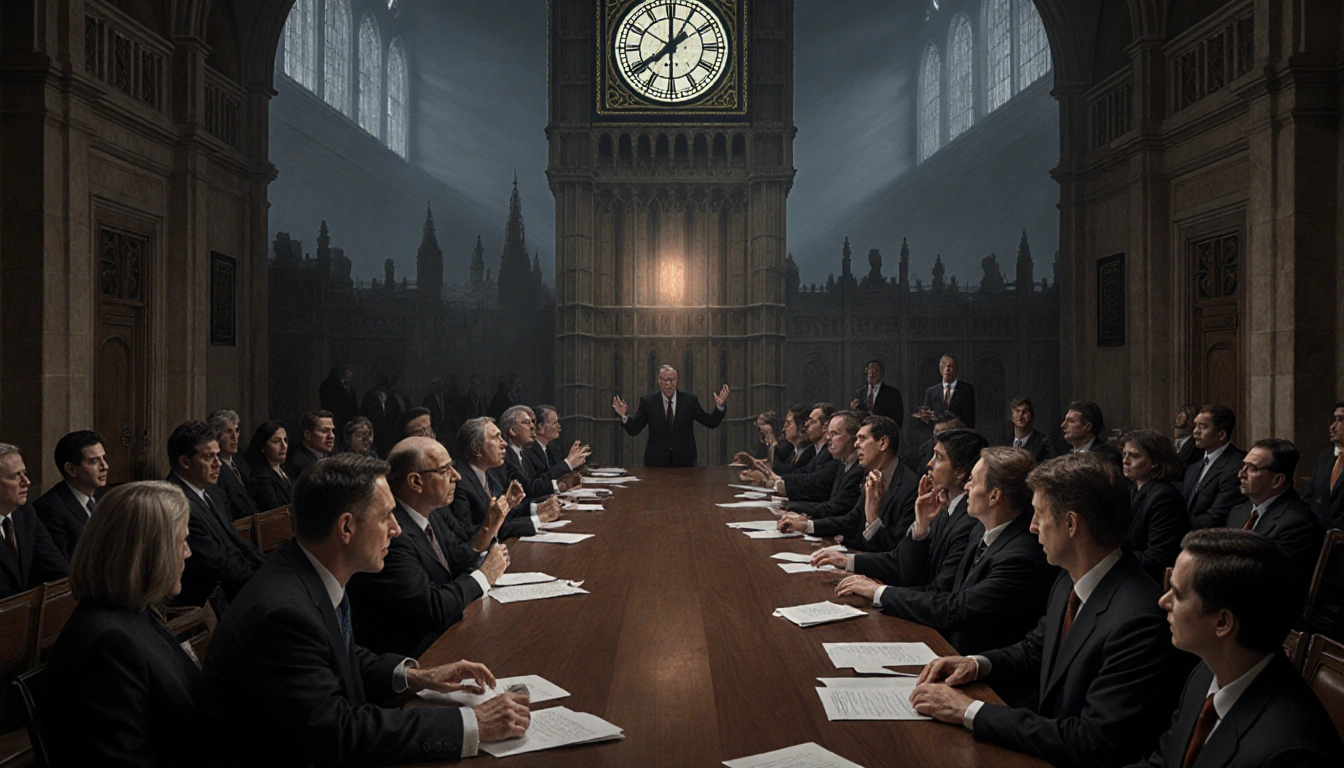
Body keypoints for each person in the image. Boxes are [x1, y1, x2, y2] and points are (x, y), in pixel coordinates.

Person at [202, 454, 531, 766]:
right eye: (386, 516)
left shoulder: (302, 569)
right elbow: (338, 732)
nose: (396, 529)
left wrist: (415, 676)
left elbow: (338, 654)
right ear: (346, 528)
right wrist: (469, 723)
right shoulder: (285, 614)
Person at [909, 453, 1180, 768]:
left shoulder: (1138, 619)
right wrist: (976, 663)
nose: (1033, 528)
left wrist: (969, 711)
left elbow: (1092, 741)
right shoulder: (1069, 577)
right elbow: (1034, 649)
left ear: (1070, 524)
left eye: (1038, 515)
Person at [1127, 529, 1344, 767]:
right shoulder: (1206, 671)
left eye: (1177, 594)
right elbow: (1164, 761)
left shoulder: (1290, 754)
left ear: (1222, 623)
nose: (1163, 601)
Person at [834, 443, 1056, 656]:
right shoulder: (980, 529)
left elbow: (956, 609)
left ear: (994, 496)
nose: (967, 487)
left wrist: (880, 593)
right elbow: (925, 581)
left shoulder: (1019, 555)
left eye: (973, 481)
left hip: (979, 667)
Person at [46, 481, 206, 767]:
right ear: (149, 553)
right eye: (182, 541)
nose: (188, 553)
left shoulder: (135, 612)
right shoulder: (109, 646)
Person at [347, 438, 510, 656]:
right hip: (418, 654)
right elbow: (434, 609)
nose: (456, 476)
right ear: (415, 482)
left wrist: (488, 556)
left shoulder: (431, 512)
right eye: (445, 470)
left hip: (446, 635)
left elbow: (455, 559)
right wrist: (484, 575)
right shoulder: (391, 536)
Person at [827, 428, 984, 589]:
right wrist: (848, 561)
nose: (929, 463)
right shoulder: (945, 507)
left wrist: (878, 592)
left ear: (961, 472)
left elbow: (940, 591)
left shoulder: (967, 519)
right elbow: (903, 563)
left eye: (938, 457)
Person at [778, 415, 919, 552]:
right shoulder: (872, 475)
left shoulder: (910, 486)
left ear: (883, 443)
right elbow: (851, 520)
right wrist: (806, 526)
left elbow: (897, 549)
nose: (856, 444)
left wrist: (849, 560)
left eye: (862, 439)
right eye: (856, 438)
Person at [167, 421, 263, 606]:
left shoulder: (212, 491)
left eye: (218, 456)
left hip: (237, 585)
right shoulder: (177, 505)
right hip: (211, 601)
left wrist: (265, 567)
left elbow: (236, 541)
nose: (218, 464)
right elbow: (218, 565)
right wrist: (262, 579)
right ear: (185, 461)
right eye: (209, 457)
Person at [1226, 438, 1322, 578]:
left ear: (1277, 480)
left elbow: (1271, 581)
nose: (1241, 474)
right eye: (1244, 465)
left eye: (1252, 468)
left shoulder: (1297, 524)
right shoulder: (1239, 510)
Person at [450, 417, 557, 541]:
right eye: (496, 438)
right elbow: (474, 535)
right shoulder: (459, 483)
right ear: (477, 450)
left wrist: (536, 508)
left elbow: (504, 517)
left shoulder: (490, 471)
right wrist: (538, 519)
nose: (504, 444)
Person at [613, 365, 728, 467]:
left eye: (672, 380)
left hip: (685, 463)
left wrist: (719, 406)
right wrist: (624, 415)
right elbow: (634, 429)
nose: (669, 384)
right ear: (659, 381)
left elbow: (710, 422)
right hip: (656, 463)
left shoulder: (689, 400)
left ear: (677, 381)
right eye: (665, 380)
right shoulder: (648, 402)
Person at [1118, 429, 1190, 582]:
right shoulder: (1134, 490)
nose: (1125, 460)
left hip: (1150, 583)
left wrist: (1111, 557)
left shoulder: (1165, 497)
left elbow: (1157, 558)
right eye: (1124, 454)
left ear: (1155, 462)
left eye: (1134, 456)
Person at [0, 443, 68, 598]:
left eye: (24, 473)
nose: (26, 481)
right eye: (15, 476)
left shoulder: (25, 513)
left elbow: (57, 568)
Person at [774, 412, 866, 519]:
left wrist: (792, 507)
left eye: (834, 434)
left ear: (854, 438)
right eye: (829, 434)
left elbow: (835, 509)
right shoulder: (843, 464)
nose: (828, 438)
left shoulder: (859, 470)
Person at [33, 429, 108, 559]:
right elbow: (59, 565)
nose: (105, 466)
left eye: (104, 458)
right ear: (71, 470)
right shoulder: (49, 508)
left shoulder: (105, 498)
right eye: (94, 461)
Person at [1183, 405, 1246, 529]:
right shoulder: (1193, 466)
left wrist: (1172, 525)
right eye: (1195, 425)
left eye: (1202, 427)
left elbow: (1217, 517)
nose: (1195, 431)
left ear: (1221, 434)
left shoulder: (1237, 466)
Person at [208, 410, 259, 521]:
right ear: (216, 436)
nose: (234, 437)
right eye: (228, 431)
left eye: (236, 430)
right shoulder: (215, 470)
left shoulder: (239, 458)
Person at [1302, 401, 1344, 530]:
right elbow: (1308, 497)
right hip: (1319, 533)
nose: (1332, 426)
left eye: (1340, 420)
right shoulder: (1324, 459)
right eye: (1333, 420)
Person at [527, 405, 590, 481]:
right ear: (540, 428)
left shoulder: (551, 448)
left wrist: (573, 460)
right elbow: (541, 482)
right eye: (555, 423)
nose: (559, 426)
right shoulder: (528, 451)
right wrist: (568, 462)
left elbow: (557, 471)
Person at [916, 354, 976, 428]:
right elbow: (926, 420)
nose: (947, 369)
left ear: (956, 370)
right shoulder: (931, 392)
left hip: (958, 434)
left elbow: (969, 420)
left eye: (950, 366)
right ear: (941, 370)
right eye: (944, 366)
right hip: (937, 435)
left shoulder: (966, 390)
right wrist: (924, 418)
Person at [244, 421, 293, 511]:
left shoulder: (285, 470)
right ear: (263, 447)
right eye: (276, 441)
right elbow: (276, 512)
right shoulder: (261, 478)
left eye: (285, 440)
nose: (284, 445)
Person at [1060, 401, 1122, 466]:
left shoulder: (1106, 458)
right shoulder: (1068, 455)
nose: (1063, 425)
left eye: (1070, 421)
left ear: (1088, 427)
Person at [851, 358, 904, 427]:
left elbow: (897, 420)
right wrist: (853, 410)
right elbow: (858, 417)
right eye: (869, 370)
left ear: (881, 373)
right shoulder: (860, 392)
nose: (871, 374)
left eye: (875, 371)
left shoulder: (892, 393)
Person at [1006, 396, 1058, 463]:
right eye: (1017, 411)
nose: (1020, 415)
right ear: (1012, 417)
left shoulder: (1046, 443)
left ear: (1032, 416)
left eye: (1025, 411)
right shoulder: (1007, 443)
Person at [288, 410, 336, 479]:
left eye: (332, 431)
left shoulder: (331, 456)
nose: (331, 436)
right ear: (307, 435)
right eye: (325, 431)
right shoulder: (300, 464)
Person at [319, 365, 360, 438]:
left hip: (348, 426)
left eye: (351, 373)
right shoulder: (330, 386)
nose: (349, 375)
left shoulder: (351, 391)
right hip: (336, 423)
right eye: (347, 373)